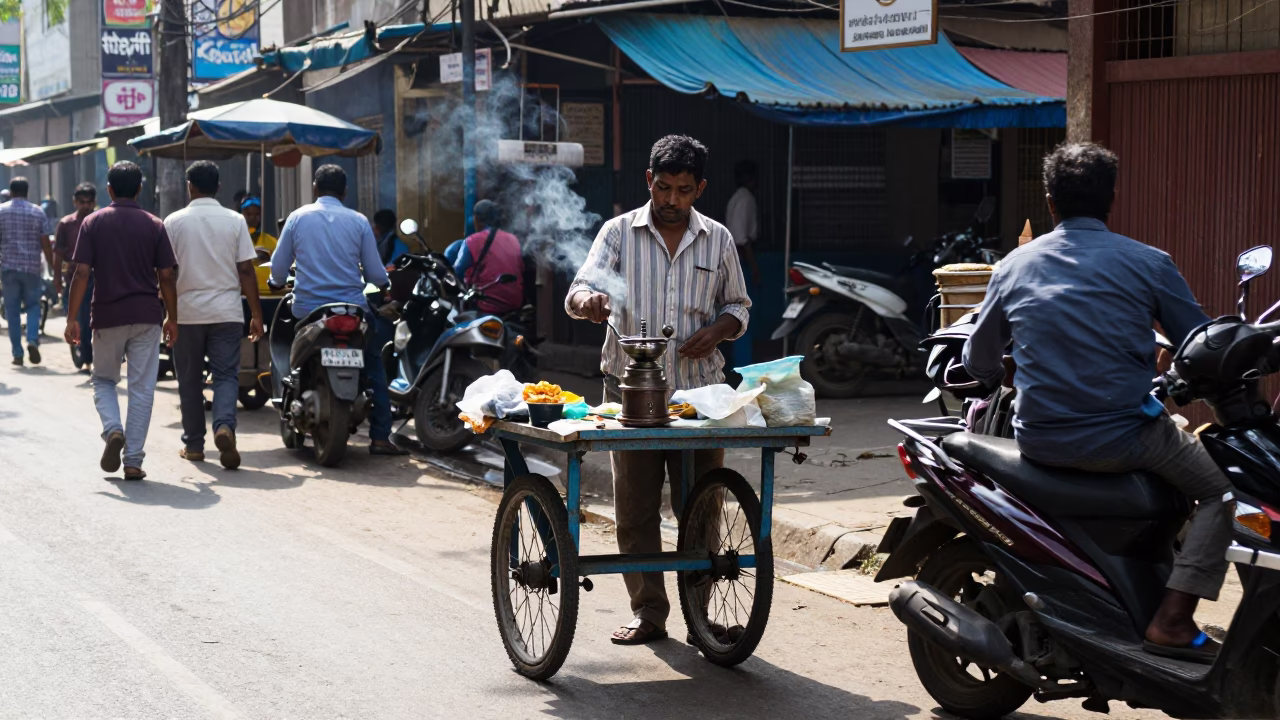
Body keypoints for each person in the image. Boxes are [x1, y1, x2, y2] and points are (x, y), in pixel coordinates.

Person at [963, 143, 1232, 663]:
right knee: (1220, 495)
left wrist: (999, 370)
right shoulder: (1149, 262)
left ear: (1049, 202)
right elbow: (1199, 342)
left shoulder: (1013, 266)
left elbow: (978, 362)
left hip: (1039, 439)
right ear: (1112, 198)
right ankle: (1173, 620)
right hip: (1126, 439)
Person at [566, 135, 751, 645]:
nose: (672, 200)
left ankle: (699, 614)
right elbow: (576, 290)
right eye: (664, 187)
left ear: (700, 189)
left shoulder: (718, 240)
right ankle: (649, 610)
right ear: (649, 181)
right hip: (629, 395)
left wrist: (718, 331)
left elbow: (739, 307)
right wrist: (589, 301)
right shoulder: (618, 233)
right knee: (637, 508)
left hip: (699, 395)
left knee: (702, 505)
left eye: (684, 190)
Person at [269, 164, 406, 456]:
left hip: (307, 309)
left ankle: (289, 393)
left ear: (315, 189)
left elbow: (279, 270)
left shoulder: (297, 218)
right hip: (353, 310)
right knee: (374, 365)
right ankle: (381, 437)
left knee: (288, 348)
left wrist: (275, 281)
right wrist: (382, 286)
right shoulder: (358, 222)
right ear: (345, 192)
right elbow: (376, 274)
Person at [64, 161, 178, 481]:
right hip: (147, 316)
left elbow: (82, 272)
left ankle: (113, 429)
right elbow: (166, 275)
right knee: (142, 389)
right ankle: (133, 461)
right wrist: (173, 317)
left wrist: (72, 318)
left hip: (107, 316)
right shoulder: (155, 224)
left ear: (109, 190)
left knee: (103, 380)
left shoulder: (93, 223)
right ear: (140, 189)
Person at [165, 161, 264, 469]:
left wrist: (169, 315)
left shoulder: (173, 222)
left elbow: (166, 274)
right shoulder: (235, 221)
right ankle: (223, 426)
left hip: (187, 313)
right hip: (227, 312)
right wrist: (257, 315)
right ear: (218, 187)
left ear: (189, 185)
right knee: (225, 376)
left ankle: (194, 445)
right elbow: (246, 270)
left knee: (189, 381)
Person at [0, 177, 54, 366]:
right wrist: (52, 265)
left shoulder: (1, 212)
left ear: (12, 191)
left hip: (8, 268)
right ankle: (32, 339)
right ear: (27, 191)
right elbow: (46, 243)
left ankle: (17, 353)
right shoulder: (37, 212)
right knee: (33, 307)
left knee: (12, 311)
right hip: (32, 268)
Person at [53, 183, 98, 372]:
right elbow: (59, 254)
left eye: (88, 202)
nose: (85, 206)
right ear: (75, 202)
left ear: (94, 202)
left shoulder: (99, 221)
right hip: (75, 279)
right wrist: (57, 278)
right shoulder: (66, 224)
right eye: (81, 202)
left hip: (98, 278)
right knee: (80, 318)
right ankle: (87, 359)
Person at [453, 199, 524, 316]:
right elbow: (520, 268)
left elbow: (456, 273)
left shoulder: (471, 241)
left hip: (485, 306)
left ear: (476, 219)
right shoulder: (513, 240)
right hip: (514, 304)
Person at [239, 196, 276, 261]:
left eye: (257, 214)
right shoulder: (236, 241)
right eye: (249, 214)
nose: (253, 218)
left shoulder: (273, 242)